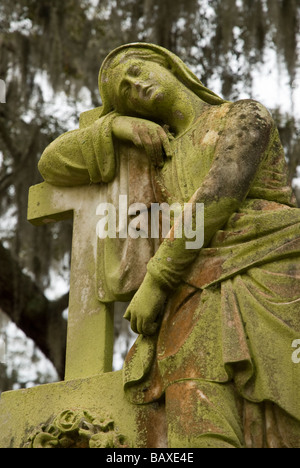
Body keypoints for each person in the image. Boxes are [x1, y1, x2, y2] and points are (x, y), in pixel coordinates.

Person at [38, 43, 300, 448]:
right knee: (197, 430)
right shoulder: (155, 154)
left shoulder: (243, 115)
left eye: (138, 70)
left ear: (170, 67)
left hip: (268, 276)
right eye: (124, 91)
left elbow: (219, 195)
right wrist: (115, 128)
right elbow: (51, 163)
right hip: (191, 299)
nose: (135, 85)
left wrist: (156, 281)